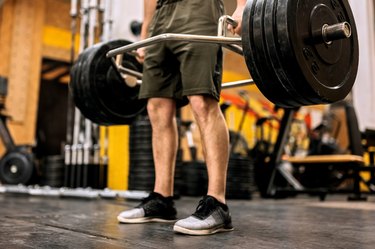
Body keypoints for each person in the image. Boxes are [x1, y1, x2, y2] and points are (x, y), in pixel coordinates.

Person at [117, 0, 246, 235]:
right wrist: (147, 29)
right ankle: (162, 200)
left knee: (202, 101)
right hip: (161, 14)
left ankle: (217, 204)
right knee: (157, 106)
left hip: (198, 8)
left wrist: (242, 6)